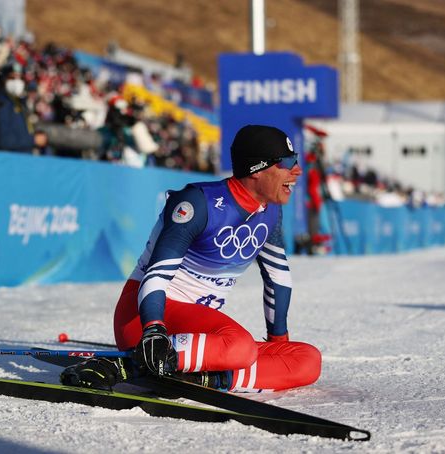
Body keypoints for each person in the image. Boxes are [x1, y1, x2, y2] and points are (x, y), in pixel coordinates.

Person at [61, 125, 321, 393]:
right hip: (146, 316)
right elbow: (156, 274)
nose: (297, 170)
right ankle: (127, 365)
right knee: (240, 347)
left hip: (195, 334)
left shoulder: (270, 212)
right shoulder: (197, 203)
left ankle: (204, 379)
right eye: (287, 163)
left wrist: (279, 342)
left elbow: (278, 276)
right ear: (257, 169)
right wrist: (153, 330)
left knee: (308, 360)